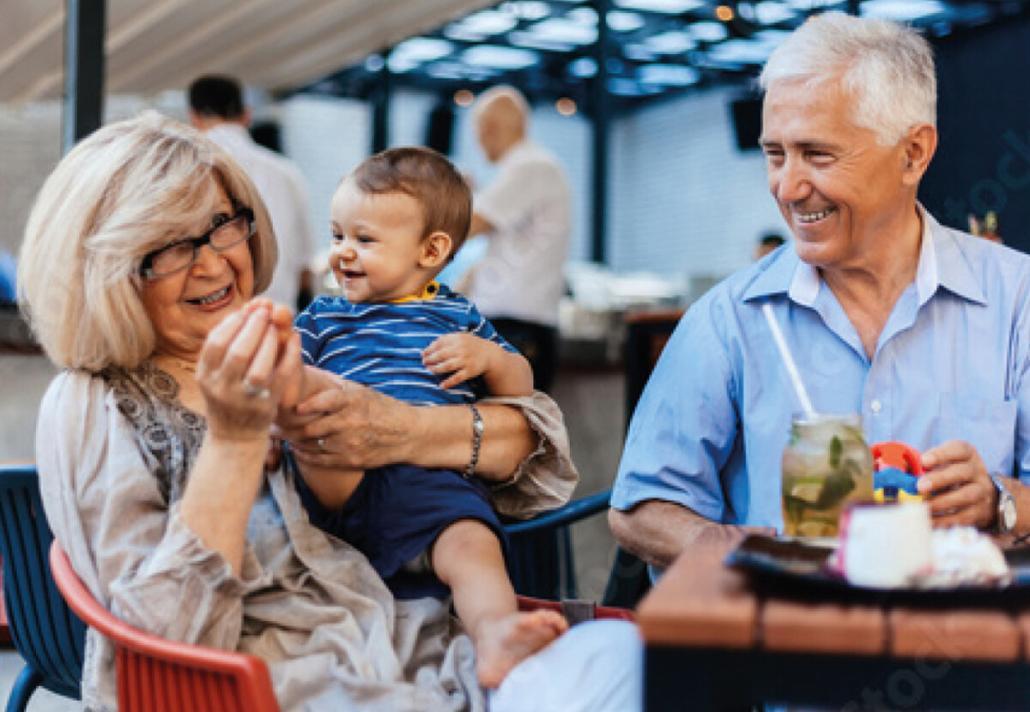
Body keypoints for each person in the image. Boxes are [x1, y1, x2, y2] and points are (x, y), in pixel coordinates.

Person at [17, 112, 640, 711]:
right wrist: (235, 446)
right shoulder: (93, 403)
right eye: (169, 248)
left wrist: (401, 430)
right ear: (104, 273)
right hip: (278, 686)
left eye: (221, 227)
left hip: (415, 649)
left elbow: (532, 456)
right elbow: (162, 643)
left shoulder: (276, 354)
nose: (213, 263)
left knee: (626, 653)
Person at [609, 12, 1030, 573]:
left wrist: (1001, 505)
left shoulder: (1016, 298)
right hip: (784, 648)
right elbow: (640, 509)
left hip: (968, 646)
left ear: (913, 154)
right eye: (775, 154)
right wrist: (769, 559)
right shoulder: (727, 319)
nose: (787, 187)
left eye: (818, 154)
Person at [291, 146, 565, 687]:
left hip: (431, 480)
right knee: (312, 431)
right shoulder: (323, 315)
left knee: (472, 545)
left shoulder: (458, 315)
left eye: (364, 240)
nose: (343, 252)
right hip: (338, 472)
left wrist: (488, 358)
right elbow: (288, 376)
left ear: (431, 249)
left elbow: (522, 389)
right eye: (337, 235)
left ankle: (496, 635)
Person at [461, 86, 572, 393]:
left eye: (476, 132)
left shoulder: (530, 166)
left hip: (518, 329)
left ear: (488, 128)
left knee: (505, 432)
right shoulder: (528, 168)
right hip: (516, 326)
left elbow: (466, 226)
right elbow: (505, 248)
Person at [188, 74, 316, 311]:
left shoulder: (184, 168)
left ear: (193, 117)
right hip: (277, 319)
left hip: (208, 316)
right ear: (246, 115)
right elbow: (305, 266)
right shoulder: (288, 172)